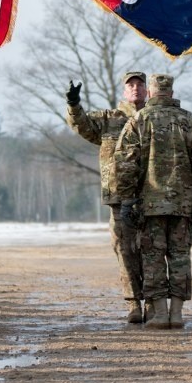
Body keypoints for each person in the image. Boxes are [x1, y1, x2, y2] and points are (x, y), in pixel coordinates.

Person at [112, 73, 192, 330]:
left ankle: (159, 314)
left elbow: (125, 163)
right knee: (180, 255)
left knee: (153, 257)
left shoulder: (139, 120)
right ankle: (177, 313)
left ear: (150, 93)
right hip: (182, 204)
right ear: (170, 92)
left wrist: (126, 199)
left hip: (150, 205)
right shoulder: (189, 121)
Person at [66, 71, 147, 323]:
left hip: (152, 196)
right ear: (124, 91)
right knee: (124, 249)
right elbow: (82, 126)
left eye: (140, 84)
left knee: (153, 250)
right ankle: (134, 303)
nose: (135, 89)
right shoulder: (110, 119)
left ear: (148, 90)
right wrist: (73, 105)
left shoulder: (155, 118)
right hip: (119, 198)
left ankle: (155, 303)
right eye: (130, 85)